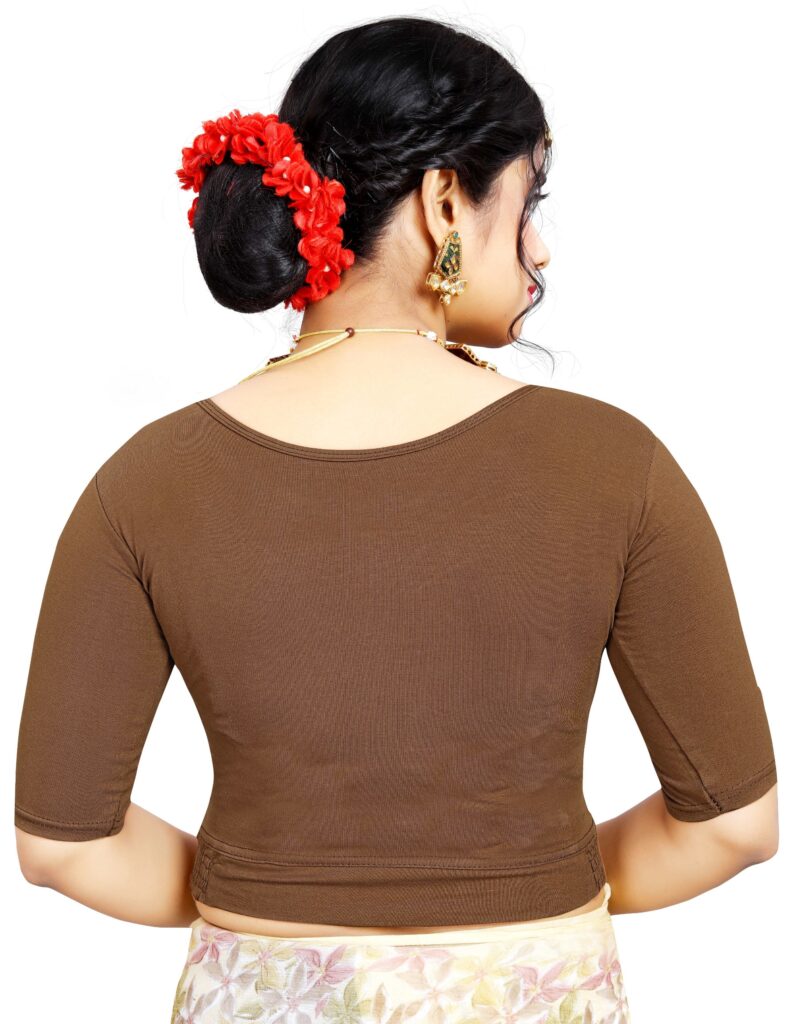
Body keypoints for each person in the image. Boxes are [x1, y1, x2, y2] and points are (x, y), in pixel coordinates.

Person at [14, 15, 777, 1024]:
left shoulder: (144, 482)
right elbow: (732, 825)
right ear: (443, 200)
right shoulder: (614, 464)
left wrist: (275, 890)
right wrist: (514, 888)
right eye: (529, 199)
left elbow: (61, 845)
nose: (540, 244)